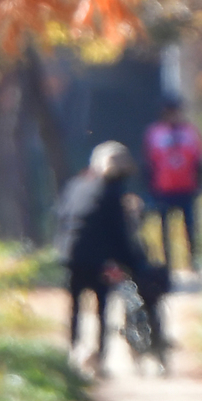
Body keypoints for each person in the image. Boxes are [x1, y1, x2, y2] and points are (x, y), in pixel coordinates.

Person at [55, 140, 152, 374]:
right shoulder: (112, 193)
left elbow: (61, 215)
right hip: (97, 258)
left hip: (71, 253)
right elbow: (118, 233)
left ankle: (73, 354)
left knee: (75, 305)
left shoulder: (76, 186)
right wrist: (135, 263)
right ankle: (100, 360)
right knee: (102, 307)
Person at [142, 100, 202, 274]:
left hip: (187, 188)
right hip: (163, 189)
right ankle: (167, 264)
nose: (173, 116)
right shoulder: (155, 133)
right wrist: (150, 188)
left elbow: (199, 160)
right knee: (164, 227)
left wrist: (201, 183)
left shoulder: (190, 132)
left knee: (190, 226)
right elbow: (149, 163)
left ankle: (192, 260)